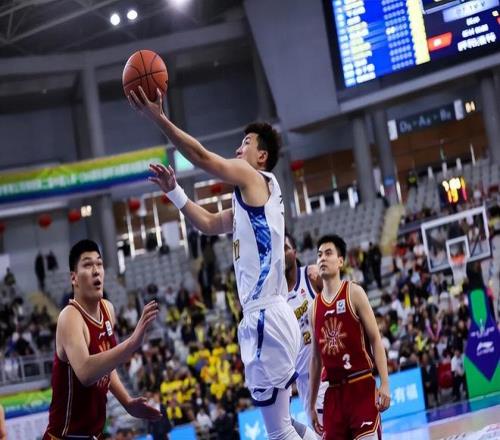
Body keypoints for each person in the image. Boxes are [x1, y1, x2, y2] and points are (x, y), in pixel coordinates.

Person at [131, 86, 303, 440]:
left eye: (246, 143)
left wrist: (159, 119)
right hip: (269, 314)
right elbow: (209, 224)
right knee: (284, 424)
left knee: (279, 431)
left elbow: (203, 158)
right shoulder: (253, 200)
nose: (238, 148)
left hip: (266, 315)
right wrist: (174, 191)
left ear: (262, 156)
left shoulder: (254, 177)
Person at [43, 239, 161, 439]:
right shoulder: (70, 317)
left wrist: (127, 402)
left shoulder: (108, 309)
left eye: (99, 264)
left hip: (95, 434)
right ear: (74, 278)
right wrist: (132, 343)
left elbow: (106, 366)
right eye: (88, 265)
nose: (96, 271)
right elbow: (86, 372)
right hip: (65, 437)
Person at [309, 235, 390, 439]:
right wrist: (310, 404)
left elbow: (375, 339)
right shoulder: (313, 308)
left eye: (328, 253)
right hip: (333, 394)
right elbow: (316, 359)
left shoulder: (354, 292)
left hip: (360, 385)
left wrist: (385, 383)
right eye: (319, 255)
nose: (322, 258)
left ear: (340, 261)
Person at [285, 233, 328, 427]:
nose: (282, 253)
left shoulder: (311, 277)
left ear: (295, 252)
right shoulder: (275, 297)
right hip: (305, 381)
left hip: (328, 367)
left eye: (286, 248)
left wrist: (325, 280)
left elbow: (339, 300)